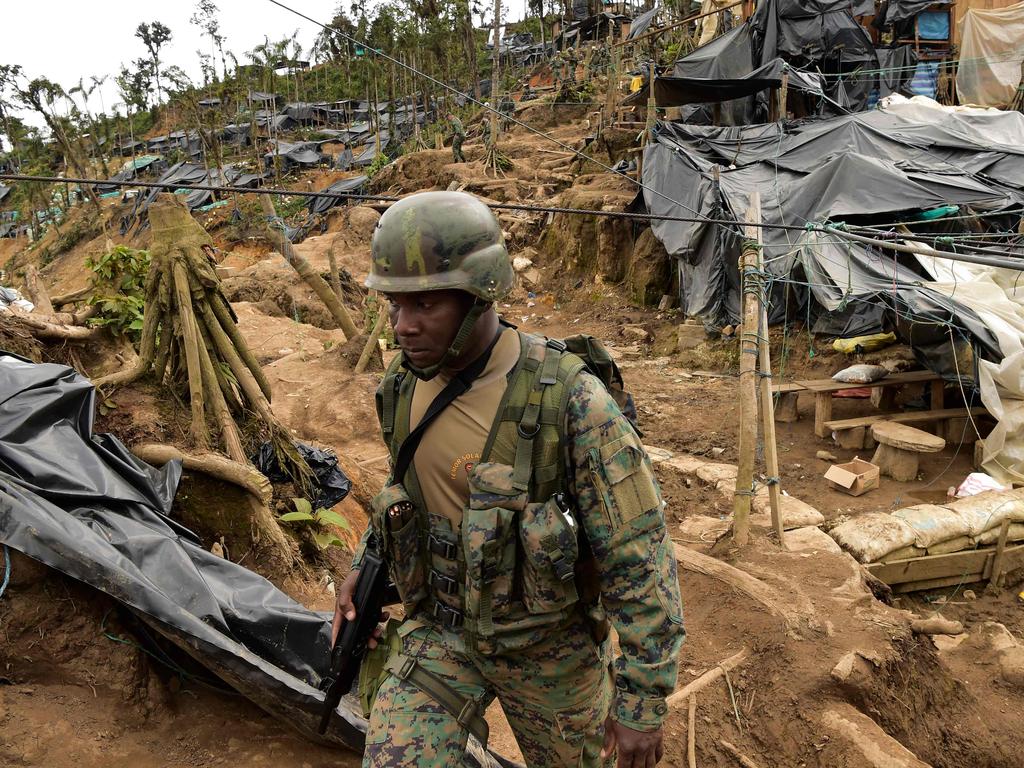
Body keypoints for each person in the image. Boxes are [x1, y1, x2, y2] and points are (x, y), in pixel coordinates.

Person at [333, 190, 685, 768]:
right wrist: (365, 568)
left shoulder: (572, 402)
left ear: (479, 296)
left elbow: (638, 557)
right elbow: (412, 497)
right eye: (394, 306)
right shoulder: (399, 388)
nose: (403, 326)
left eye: (425, 306)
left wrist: (643, 702)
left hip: (548, 649)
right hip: (443, 635)